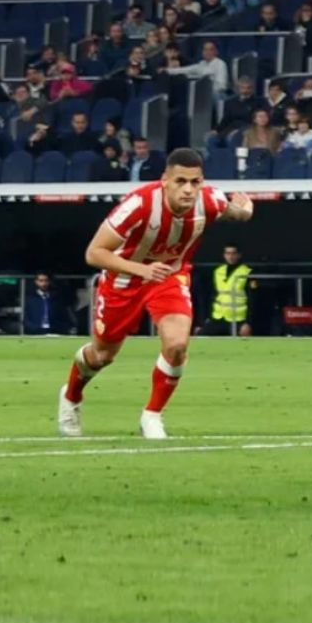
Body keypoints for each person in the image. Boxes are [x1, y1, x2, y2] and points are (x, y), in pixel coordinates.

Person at [58, 148, 256, 440]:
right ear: (165, 180)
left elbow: (234, 211)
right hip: (124, 279)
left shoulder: (208, 200)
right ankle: (71, 397)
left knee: (177, 346)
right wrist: (141, 270)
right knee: (101, 356)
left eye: (195, 181)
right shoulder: (139, 205)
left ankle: (151, 416)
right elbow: (94, 253)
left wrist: (246, 210)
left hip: (169, 277)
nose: (188, 189)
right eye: (180, 181)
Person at [207, 244, 254, 338]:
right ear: (224, 255)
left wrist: (248, 322)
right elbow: (212, 295)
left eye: (233, 253)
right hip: (218, 316)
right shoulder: (218, 271)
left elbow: (253, 300)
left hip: (238, 319)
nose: (230, 256)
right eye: (228, 253)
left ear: (239, 255)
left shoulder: (247, 272)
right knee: (201, 338)